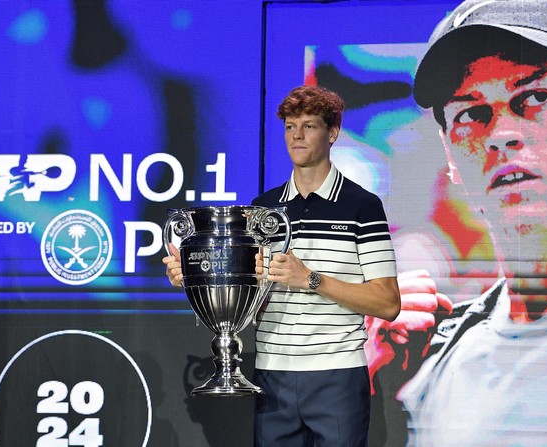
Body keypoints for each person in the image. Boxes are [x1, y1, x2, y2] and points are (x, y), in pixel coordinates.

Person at [397, 0, 547, 445]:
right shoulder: (436, 354)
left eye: (534, 97)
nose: (500, 135)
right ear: (450, 153)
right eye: (471, 114)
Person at [164, 85, 445, 446]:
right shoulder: (262, 210)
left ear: (333, 133)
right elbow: (248, 295)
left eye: (309, 126)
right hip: (272, 375)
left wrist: (310, 279)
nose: (296, 135)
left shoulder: (362, 207)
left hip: (337, 376)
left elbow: (388, 303)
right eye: (290, 126)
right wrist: (197, 277)